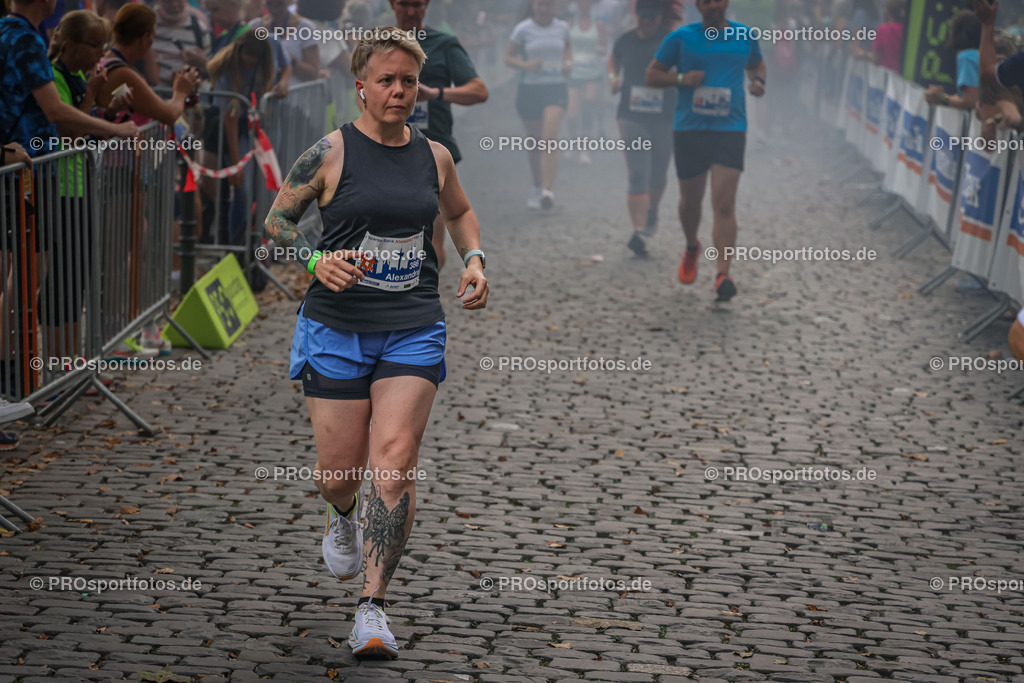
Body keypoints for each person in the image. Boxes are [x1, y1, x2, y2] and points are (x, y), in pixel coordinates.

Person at [263, 28, 489, 659]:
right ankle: (341, 514)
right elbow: (277, 221)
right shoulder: (329, 152)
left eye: (409, 81)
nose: (399, 91)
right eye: (386, 80)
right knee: (340, 474)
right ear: (360, 85)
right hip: (336, 326)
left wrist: (475, 259)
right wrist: (316, 260)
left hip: (413, 324)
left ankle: (373, 609)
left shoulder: (435, 156)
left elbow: (459, 212)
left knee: (394, 458)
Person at [645, 0, 766, 302]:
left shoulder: (744, 35)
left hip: (730, 128)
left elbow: (756, 64)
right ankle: (691, 246)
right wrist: (681, 79)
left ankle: (723, 274)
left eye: (718, 0)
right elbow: (652, 75)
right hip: (690, 129)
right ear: (698, 5)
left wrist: (758, 81)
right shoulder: (680, 38)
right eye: (707, 1)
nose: (713, 6)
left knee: (724, 204)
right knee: (691, 202)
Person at [391, 0, 489, 271]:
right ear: (392, 4)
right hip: (385, 150)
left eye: (418, 4)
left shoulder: (443, 43)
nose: (411, 11)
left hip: (432, 150)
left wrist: (436, 93)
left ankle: (423, 289)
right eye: (404, 4)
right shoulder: (378, 44)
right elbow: (361, 90)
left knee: (430, 239)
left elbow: (479, 91)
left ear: (427, 5)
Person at [610, 0, 677, 257]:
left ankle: (652, 212)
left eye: (652, 18)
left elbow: (689, 68)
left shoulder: (672, 41)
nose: (647, 22)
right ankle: (638, 231)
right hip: (631, 114)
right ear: (636, 15)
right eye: (643, 17)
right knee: (638, 172)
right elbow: (613, 59)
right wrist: (613, 78)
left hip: (664, 115)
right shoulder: (625, 40)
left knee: (658, 173)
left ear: (661, 17)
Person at [506, 0, 572, 210]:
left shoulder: (563, 28)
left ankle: (547, 191)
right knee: (535, 143)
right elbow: (508, 58)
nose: (544, 9)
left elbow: (567, 51)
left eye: (548, 5)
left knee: (549, 139)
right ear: (533, 6)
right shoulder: (523, 29)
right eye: (540, 5)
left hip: (555, 88)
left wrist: (567, 64)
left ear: (556, 6)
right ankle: (537, 185)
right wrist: (526, 65)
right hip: (529, 90)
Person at [566, 0, 607, 164]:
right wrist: (566, 61)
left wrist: (600, 50)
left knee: (588, 106)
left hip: (593, 72)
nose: (584, 4)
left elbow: (604, 47)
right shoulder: (570, 24)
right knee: (572, 113)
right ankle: (573, 140)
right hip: (574, 73)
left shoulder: (599, 25)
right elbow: (565, 47)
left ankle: (585, 148)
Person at [250, 0, 320, 83]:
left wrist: (290, 60)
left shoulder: (306, 28)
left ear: (289, 2)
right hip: (265, 88)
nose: (274, 9)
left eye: (280, 4)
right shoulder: (255, 26)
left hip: (295, 89)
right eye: (269, 4)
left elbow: (314, 74)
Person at [925, 10, 981, 111]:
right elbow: (965, 96)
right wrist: (943, 97)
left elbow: (971, 100)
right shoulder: (978, 54)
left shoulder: (967, 58)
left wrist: (943, 100)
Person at [152, 0, 212, 87]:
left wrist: (202, 63)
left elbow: (210, 69)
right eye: (168, 1)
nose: (174, 5)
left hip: (187, 91)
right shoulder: (148, 25)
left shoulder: (198, 28)